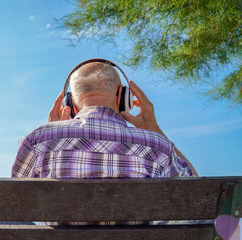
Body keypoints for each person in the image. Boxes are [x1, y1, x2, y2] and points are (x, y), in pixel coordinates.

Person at [11, 59, 197, 224]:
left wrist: (51, 132)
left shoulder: (38, 141)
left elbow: (17, 202)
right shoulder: (157, 146)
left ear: (70, 104)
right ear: (122, 97)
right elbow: (198, 195)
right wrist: (153, 129)